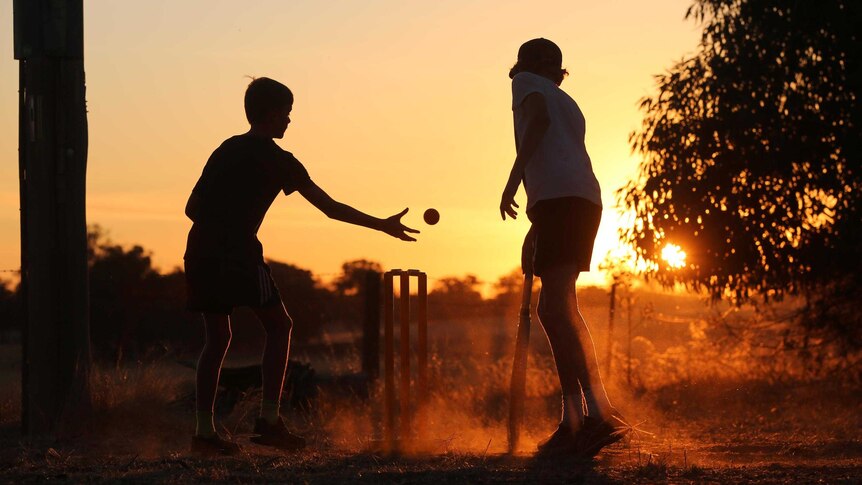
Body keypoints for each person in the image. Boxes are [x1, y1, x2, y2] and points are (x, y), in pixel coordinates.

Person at [184, 77, 418, 455]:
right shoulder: (280, 160)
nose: (289, 122)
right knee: (280, 326)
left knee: (218, 340)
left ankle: (203, 433)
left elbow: (191, 209)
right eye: (287, 114)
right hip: (239, 254)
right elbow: (329, 208)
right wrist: (382, 225)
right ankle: (269, 421)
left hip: (199, 250)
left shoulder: (226, 149)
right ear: (274, 113)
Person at [499, 38, 627, 457]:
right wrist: (537, 223)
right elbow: (563, 160)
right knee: (560, 308)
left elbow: (535, 124)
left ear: (529, 65)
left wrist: (513, 179)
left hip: (560, 202)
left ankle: (590, 418)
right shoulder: (566, 99)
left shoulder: (526, 84)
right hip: (578, 201)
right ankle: (589, 414)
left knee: (553, 309)